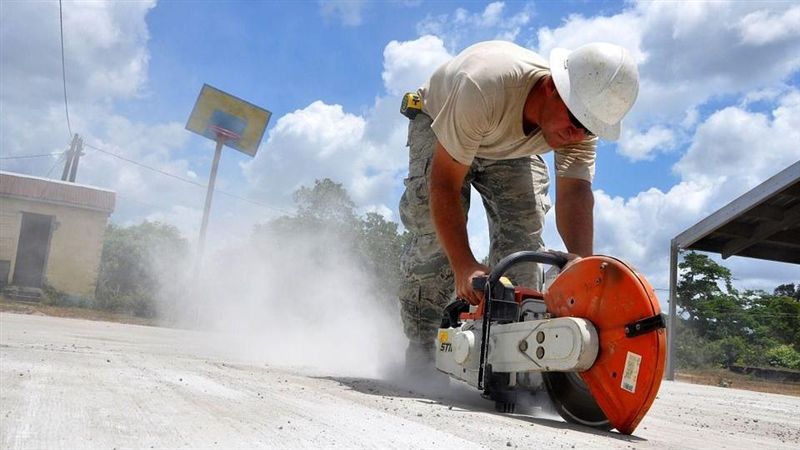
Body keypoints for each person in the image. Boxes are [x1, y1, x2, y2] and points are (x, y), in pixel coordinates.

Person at [398, 40, 640, 372]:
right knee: (436, 240)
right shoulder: (484, 87)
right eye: (574, 122)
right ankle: (423, 354)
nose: (577, 135)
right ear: (553, 88)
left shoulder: (580, 124)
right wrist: (465, 265)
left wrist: (581, 267)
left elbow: (574, 194)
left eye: (588, 129)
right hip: (442, 121)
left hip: (506, 144)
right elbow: (444, 185)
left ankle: (508, 360)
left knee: (524, 239)